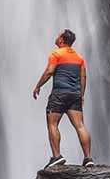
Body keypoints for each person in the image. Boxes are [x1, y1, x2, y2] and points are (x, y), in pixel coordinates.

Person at [32, 29, 94, 169]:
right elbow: (83, 77)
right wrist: (81, 95)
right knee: (80, 125)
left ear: (61, 40)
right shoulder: (79, 57)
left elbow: (49, 71)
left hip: (59, 94)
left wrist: (38, 86)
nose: (56, 36)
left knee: (52, 124)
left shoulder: (56, 54)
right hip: (75, 94)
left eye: (58, 35)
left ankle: (56, 157)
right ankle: (88, 158)